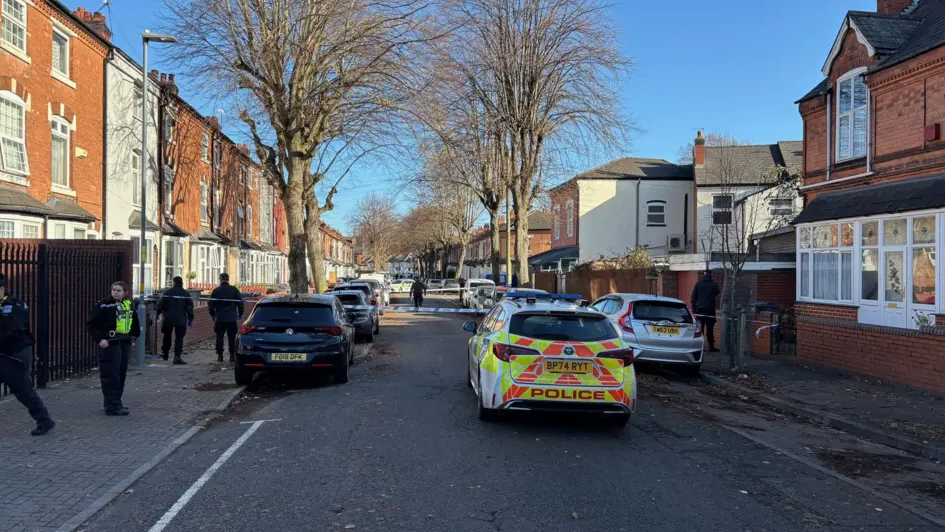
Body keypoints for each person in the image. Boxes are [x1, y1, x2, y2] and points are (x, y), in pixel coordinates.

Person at [0, 274, 55, 435]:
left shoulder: (15, 305)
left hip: (15, 355)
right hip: (3, 354)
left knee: (23, 391)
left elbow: (14, 330)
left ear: (2, 289)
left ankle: (45, 420)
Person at [86, 281, 140, 416]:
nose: (115, 292)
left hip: (123, 343)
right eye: (114, 290)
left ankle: (116, 403)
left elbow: (134, 324)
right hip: (109, 343)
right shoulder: (103, 305)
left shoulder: (128, 305)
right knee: (110, 375)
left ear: (125, 293)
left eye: (118, 290)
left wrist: (132, 338)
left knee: (121, 374)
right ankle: (111, 406)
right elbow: (91, 325)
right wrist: (100, 340)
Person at [157, 276, 194, 365]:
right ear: (182, 283)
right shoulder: (186, 293)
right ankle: (177, 357)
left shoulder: (167, 292)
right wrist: (190, 319)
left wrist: (158, 313)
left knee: (167, 336)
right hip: (181, 319)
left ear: (173, 282)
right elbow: (189, 307)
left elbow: (160, 304)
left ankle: (165, 353)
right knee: (179, 338)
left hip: (168, 319)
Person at [209, 273, 243, 363]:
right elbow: (240, 302)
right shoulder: (234, 290)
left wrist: (213, 315)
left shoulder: (216, 291)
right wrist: (240, 313)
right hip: (231, 318)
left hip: (220, 318)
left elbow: (211, 304)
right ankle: (232, 356)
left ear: (220, 279)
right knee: (232, 337)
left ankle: (220, 356)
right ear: (228, 279)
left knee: (219, 337)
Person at [691, 271, 721, 352]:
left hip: (700, 309)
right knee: (710, 329)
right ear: (711, 275)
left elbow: (693, 297)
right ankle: (711, 346)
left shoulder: (698, 284)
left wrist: (694, 308)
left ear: (704, 275)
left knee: (700, 328)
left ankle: (700, 346)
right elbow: (717, 292)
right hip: (710, 309)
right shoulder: (714, 284)